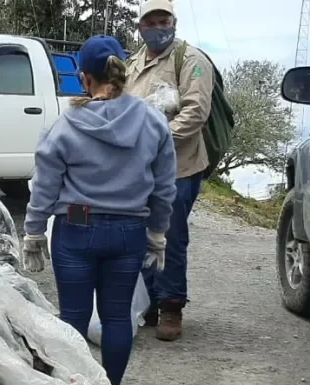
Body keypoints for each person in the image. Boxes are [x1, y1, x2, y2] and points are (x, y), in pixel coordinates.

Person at [23, 35, 177, 385]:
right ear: (122, 73)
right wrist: (157, 233)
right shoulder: (153, 122)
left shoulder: (66, 124)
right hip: (129, 233)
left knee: (73, 319)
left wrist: (32, 232)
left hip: (76, 229)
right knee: (116, 316)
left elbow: (45, 185)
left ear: (85, 78)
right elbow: (164, 187)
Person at [124, 0, 215, 341]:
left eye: (164, 20)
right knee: (138, 234)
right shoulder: (132, 63)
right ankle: (146, 303)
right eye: (151, 21)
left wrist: (157, 142)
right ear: (141, 26)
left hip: (179, 168)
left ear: (174, 23)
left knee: (170, 236)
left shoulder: (191, 60)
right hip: (138, 169)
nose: (158, 27)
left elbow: (195, 112)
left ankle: (172, 307)